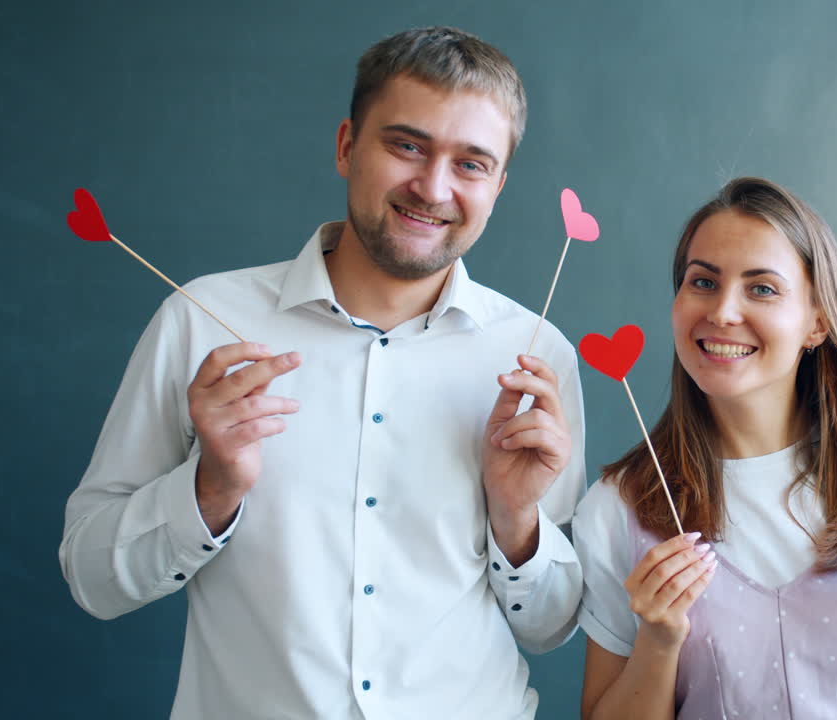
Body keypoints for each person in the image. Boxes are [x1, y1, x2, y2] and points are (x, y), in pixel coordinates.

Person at [59, 27, 586, 719]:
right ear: (346, 146)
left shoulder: (535, 355)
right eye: (407, 146)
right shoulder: (202, 321)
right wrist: (208, 491)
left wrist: (517, 520)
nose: (432, 187)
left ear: (498, 185)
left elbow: (549, 627)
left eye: (471, 163)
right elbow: (93, 579)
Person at [574, 177, 837, 719]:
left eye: (761, 288)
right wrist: (658, 642)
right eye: (703, 282)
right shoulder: (619, 506)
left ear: (817, 321)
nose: (722, 313)